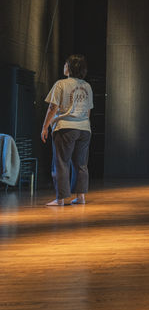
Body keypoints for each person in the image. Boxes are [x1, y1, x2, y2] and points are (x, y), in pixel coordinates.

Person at [41, 54, 93, 206]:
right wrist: (84, 125)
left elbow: (52, 107)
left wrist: (45, 127)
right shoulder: (87, 86)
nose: (64, 66)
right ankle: (81, 197)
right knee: (81, 163)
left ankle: (61, 199)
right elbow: (88, 111)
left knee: (61, 163)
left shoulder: (61, 84)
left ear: (69, 68)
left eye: (65, 64)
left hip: (65, 128)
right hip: (84, 129)